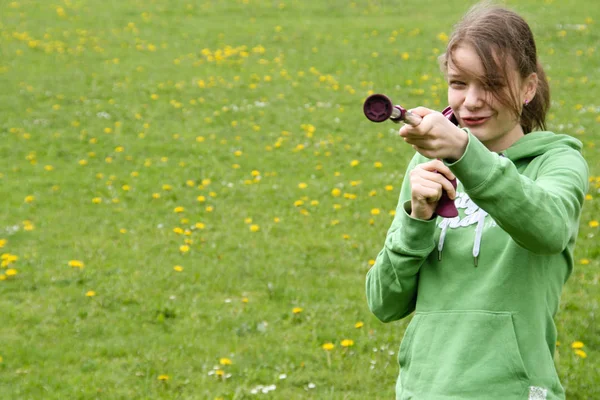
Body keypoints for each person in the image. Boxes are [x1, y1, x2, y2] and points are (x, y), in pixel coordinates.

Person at [365, 3, 589, 400]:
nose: (471, 101)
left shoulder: (557, 161)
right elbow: (384, 302)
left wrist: (465, 153)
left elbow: (549, 229)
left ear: (528, 87)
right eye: (458, 83)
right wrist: (417, 218)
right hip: (424, 391)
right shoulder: (428, 164)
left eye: (491, 84)